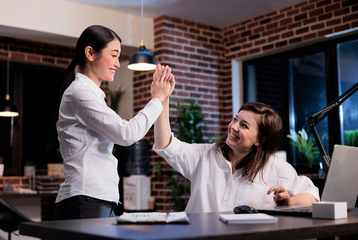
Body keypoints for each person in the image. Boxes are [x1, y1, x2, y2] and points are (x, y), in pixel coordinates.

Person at [55, 25, 174, 220]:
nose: (118, 64)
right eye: (114, 55)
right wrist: (156, 99)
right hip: (85, 200)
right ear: (90, 53)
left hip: (95, 199)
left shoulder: (91, 94)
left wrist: (161, 99)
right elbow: (126, 134)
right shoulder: (79, 92)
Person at [154, 101, 319, 213]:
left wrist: (290, 202)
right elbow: (165, 145)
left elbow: (312, 196)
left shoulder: (276, 168)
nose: (233, 127)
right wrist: (162, 99)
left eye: (244, 125)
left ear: (260, 140)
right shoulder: (205, 155)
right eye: (235, 119)